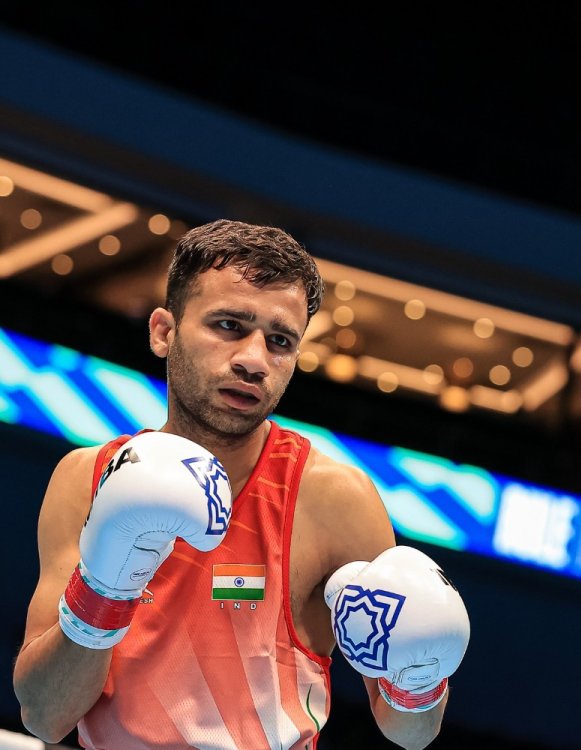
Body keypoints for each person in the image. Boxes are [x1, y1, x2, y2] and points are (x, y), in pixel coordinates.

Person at [12, 219, 470, 749]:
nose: (254, 360)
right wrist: (104, 590)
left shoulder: (334, 500)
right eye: (229, 325)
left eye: (279, 341)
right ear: (164, 331)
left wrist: (421, 681)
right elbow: (45, 716)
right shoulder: (85, 479)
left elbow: (410, 735)